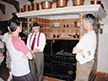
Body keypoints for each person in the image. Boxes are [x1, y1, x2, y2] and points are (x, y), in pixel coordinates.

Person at [6, 15, 34, 81]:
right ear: (18, 27)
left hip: (15, 71)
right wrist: (28, 53)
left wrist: (24, 54)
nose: (22, 27)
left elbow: (16, 52)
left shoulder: (9, 40)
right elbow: (31, 57)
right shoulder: (19, 41)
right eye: (21, 25)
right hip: (23, 72)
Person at [72, 14, 97, 81]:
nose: (82, 24)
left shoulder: (87, 36)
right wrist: (81, 49)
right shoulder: (93, 34)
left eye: (83, 22)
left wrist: (78, 49)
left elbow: (74, 50)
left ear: (88, 23)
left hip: (84, 64)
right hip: (87, 62)